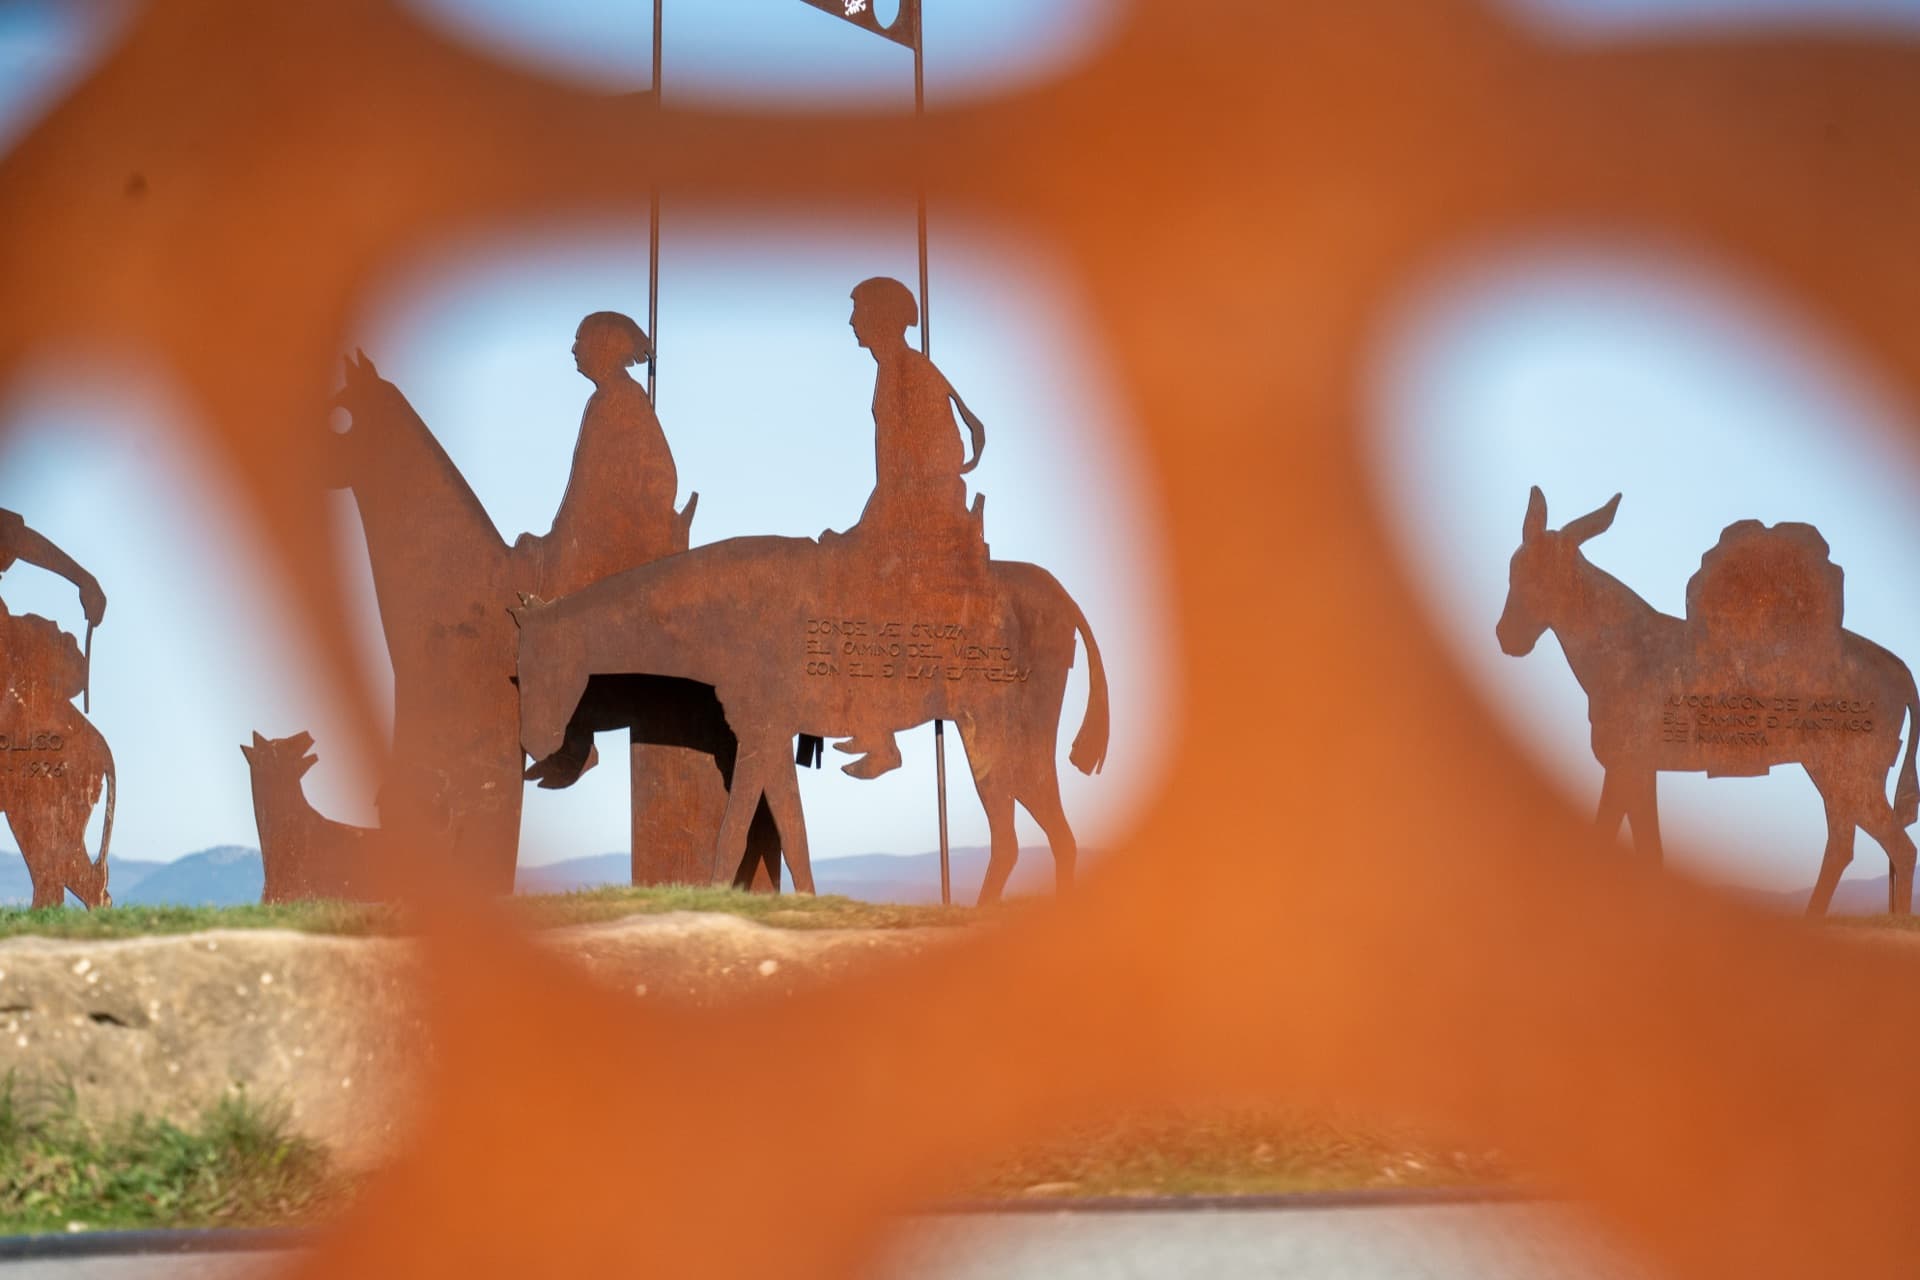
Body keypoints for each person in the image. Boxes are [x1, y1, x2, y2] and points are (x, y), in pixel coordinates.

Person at [826, 277, 989, 780]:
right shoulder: (891, 370)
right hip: (905, 516)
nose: (852, 321)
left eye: (858, 311)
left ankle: (881, 733)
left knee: (852, 589)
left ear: (881, 317)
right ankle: (870, 718)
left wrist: (865, 531)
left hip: (926, 524)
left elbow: (919, 469)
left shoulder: (909, 371)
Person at [515, 311, 683, 599]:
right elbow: (581, 492)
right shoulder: (600, 402)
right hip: (580, 543)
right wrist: (557, 540)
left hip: (610, 550)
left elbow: (662, 477)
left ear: (605, 346)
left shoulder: (626, 400)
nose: (574, 349)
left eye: (581, 340)